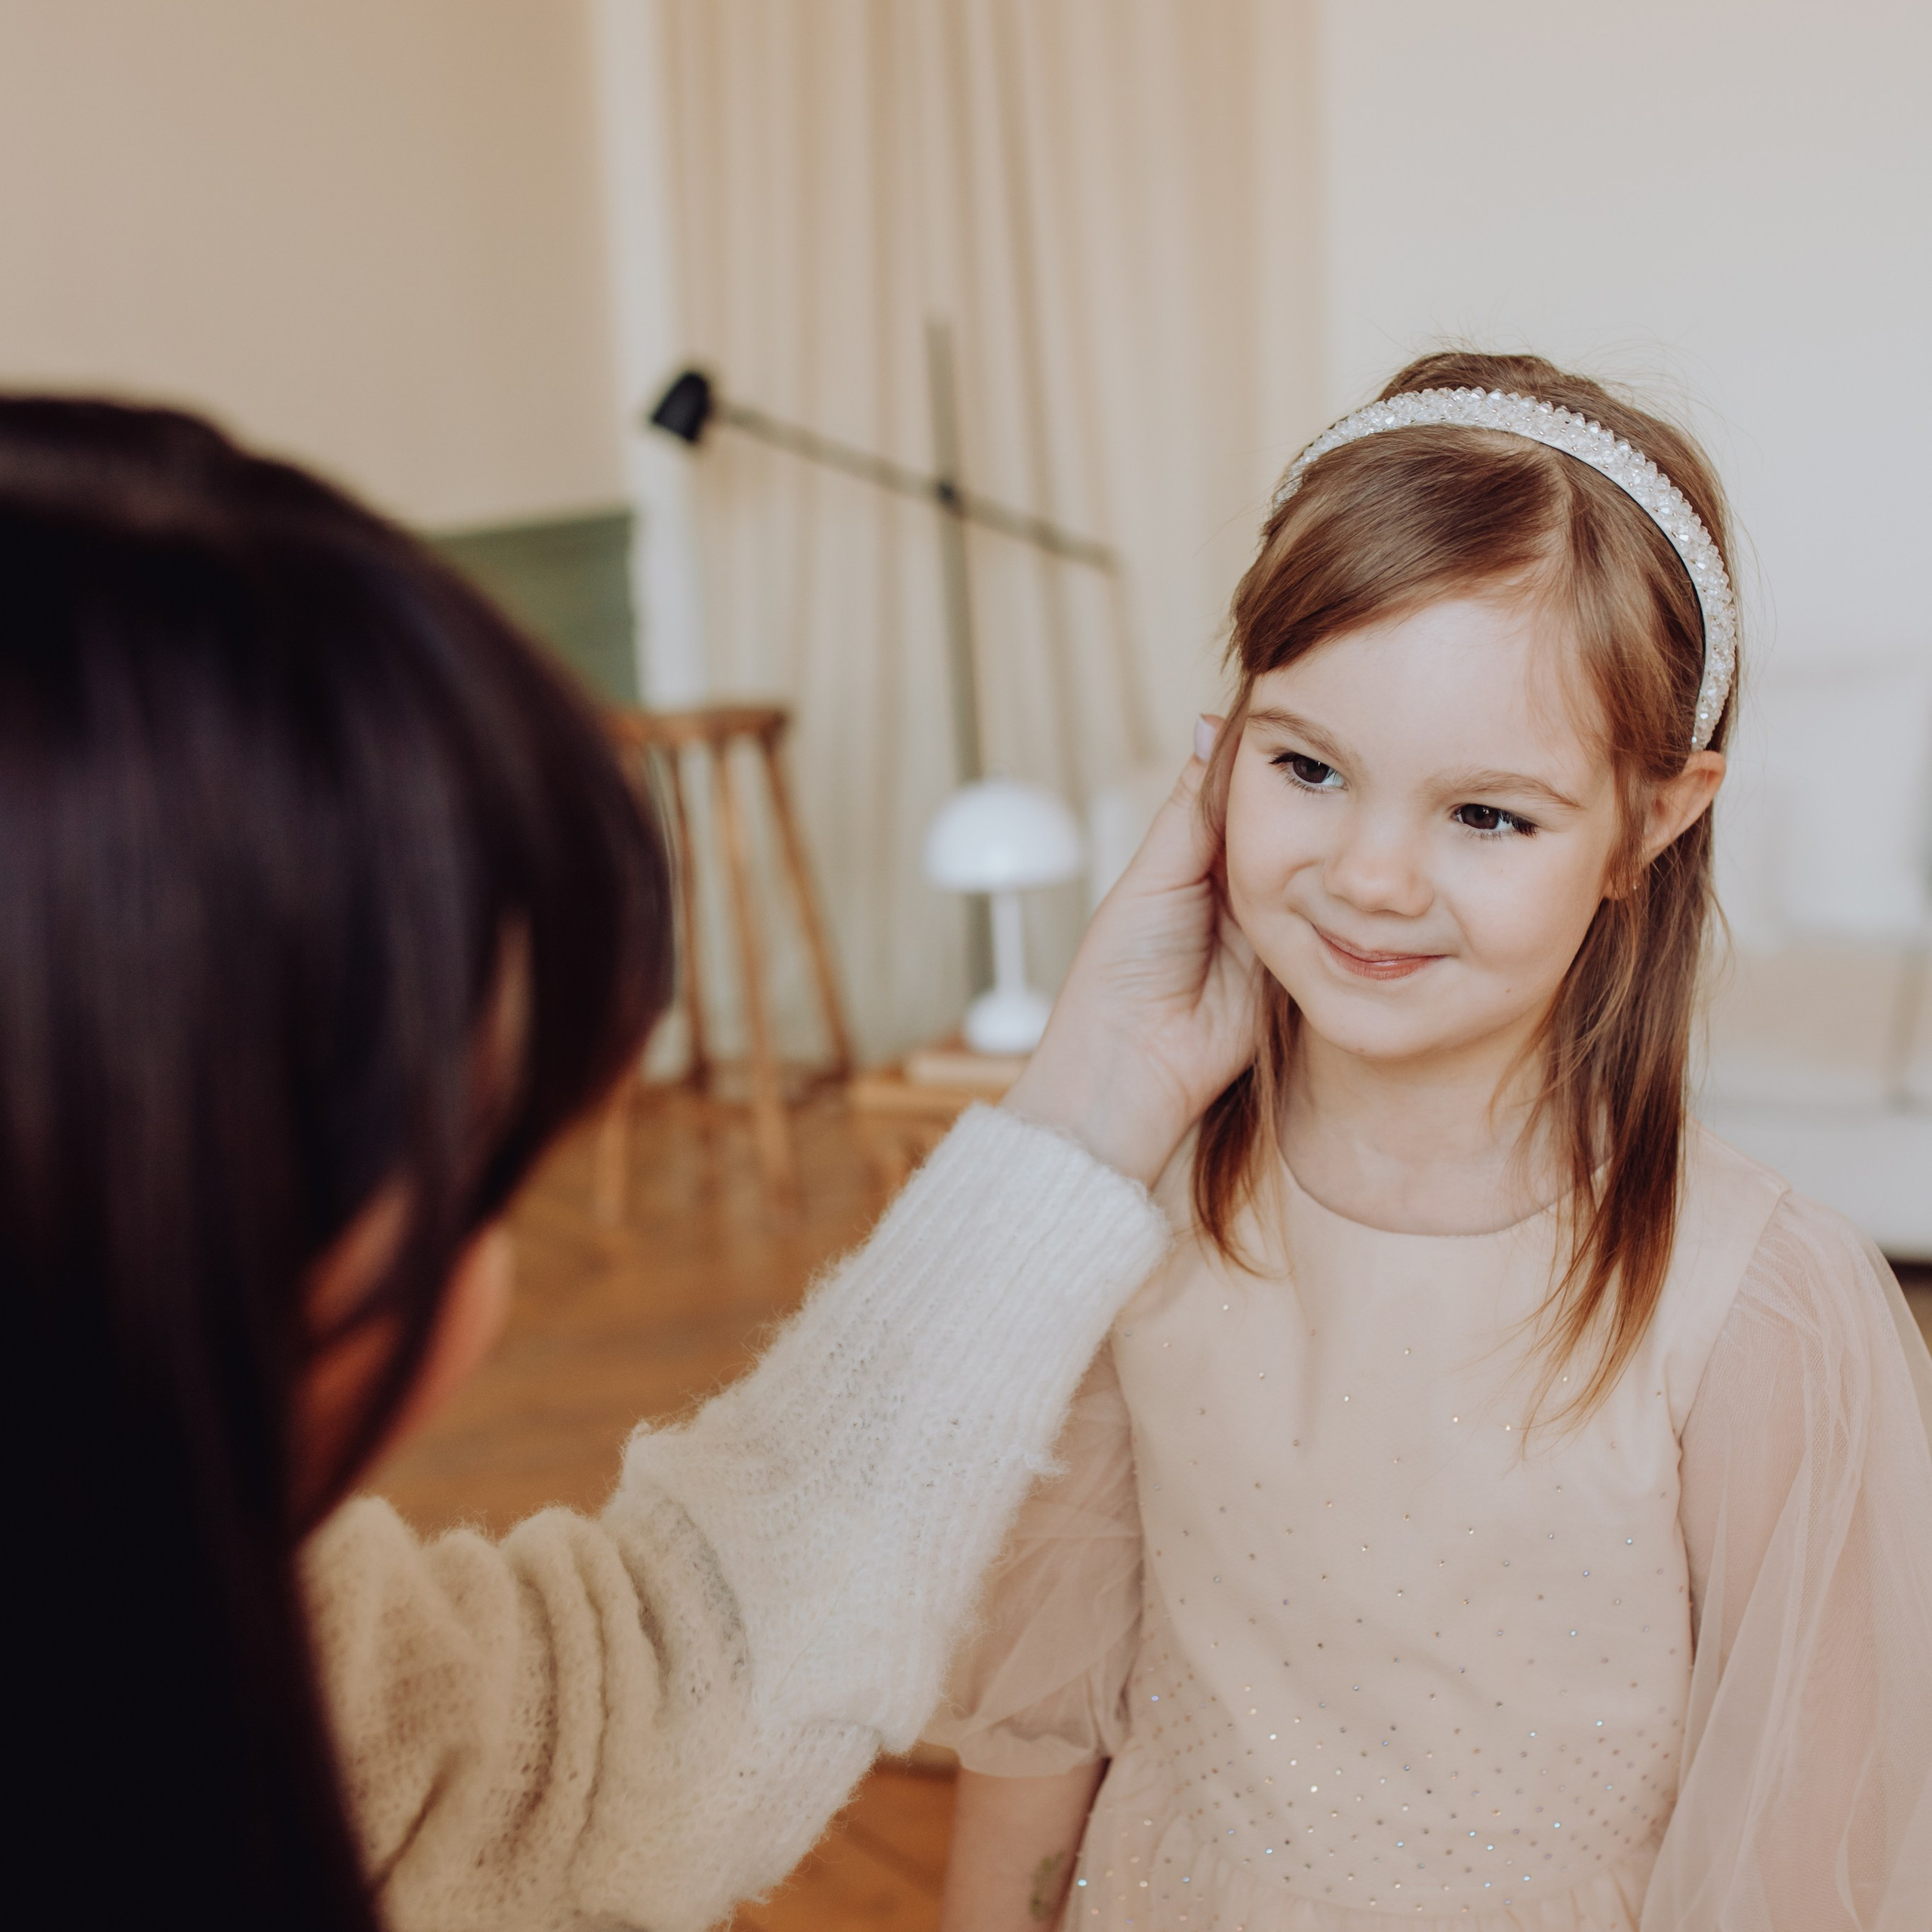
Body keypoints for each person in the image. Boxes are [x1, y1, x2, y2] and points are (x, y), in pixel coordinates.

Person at [0, 396, 1262, 1931]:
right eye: (468, 1169)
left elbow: (622, 1731)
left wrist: (1102, 1088)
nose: (492, 1276)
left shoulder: (243, 1626)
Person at [929, 352, 1932, 1931]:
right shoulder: (1131, 1203)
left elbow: (1803, 1840)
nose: (1370, 874)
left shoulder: (1757, 1308)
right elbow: (1044, 1708)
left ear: (1649, 825)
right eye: (1307, 766)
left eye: (1486, 815)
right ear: (1221, 747)